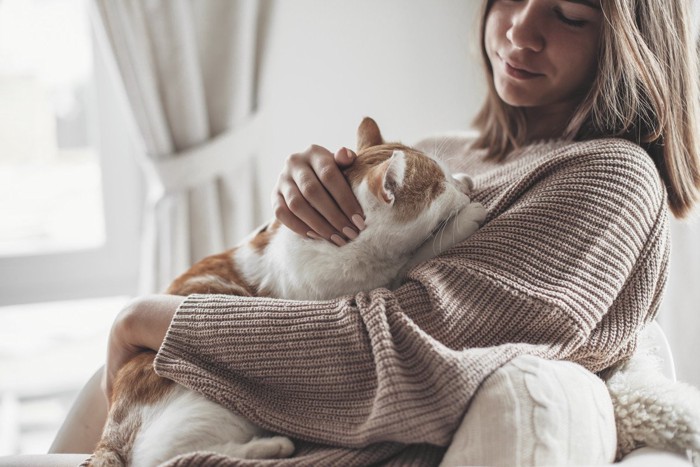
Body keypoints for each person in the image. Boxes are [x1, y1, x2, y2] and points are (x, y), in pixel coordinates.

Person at [6, 0, 698, 465]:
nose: (521, 28)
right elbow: (279, 291)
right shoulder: (439, 147)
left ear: (629, 39)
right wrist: (295, 213)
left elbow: (408, 349)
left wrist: (159, 320)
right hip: (172, 401)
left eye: (571, 13)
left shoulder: (611, 177)